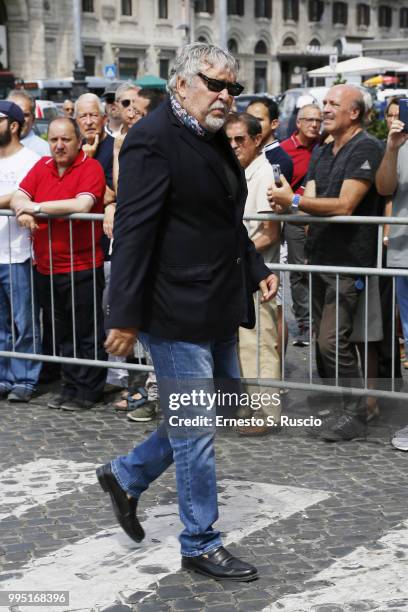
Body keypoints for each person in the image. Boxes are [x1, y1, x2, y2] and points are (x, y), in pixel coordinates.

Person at [97, 42, 278, 581]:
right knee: (196, 427)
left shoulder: (215, 134)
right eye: (215, 85)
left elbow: (224, 220)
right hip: (171, 311)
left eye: (232, 88)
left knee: (218, 408)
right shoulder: (151, 141)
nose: (226, 96)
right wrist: (123, 316)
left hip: (218, 302)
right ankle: (199, 540)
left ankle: (127, 475)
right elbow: (133, 233)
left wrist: (255, 269)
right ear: (182, 83)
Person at [268, 84, 384, 442]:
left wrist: (296, 198)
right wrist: (288, 203)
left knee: (333, 341)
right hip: (320, 257)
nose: (326, 109)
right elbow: (313, 200)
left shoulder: (366, 147)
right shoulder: (322, 149)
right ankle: (344, 403)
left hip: (349, 262)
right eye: (325, 103)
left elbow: (346, 204)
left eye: (334, 104)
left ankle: (357, 413)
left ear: (354, 112)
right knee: (322, 340)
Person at [11, 117, 107, 411]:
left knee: (87, 332)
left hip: (82, 266)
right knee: (61, 332)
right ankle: (68, 386)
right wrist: (22, 211)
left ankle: (88, 390)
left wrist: (35, 208)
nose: (59, 145)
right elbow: (18, 195)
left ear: (79, 141)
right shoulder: (41, 166)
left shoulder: (91, 167)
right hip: (47, 267)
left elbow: (82, 205)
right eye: (53, 140)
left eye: (65, 139)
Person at [225, 112, 281, 436]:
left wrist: (235, 256)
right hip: (240, 275)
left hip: (260, 275)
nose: (233, 146)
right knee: (243, 346)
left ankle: (267, 411)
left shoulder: (263, 175)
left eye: (240, 140)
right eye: (228, 140)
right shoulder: (239, 172)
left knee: (260, 344)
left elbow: (270, 233)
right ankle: (249, 404)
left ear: (256, 140)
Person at [0, 101, 41, 402]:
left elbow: (22, 195)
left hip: (18, 252)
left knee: (24, 322)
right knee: (1, 323)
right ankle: (4, 376)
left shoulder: (31, 159)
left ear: (13, 125)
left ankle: (25, 378)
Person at [375, 96, 408, 451]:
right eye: (392, 115)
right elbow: (384, 188)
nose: (397, 120)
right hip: (403, 254)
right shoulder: (398, 148)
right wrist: (392, 148)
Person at [280, 104, 322, 347]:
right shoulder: (284, 150)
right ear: (298, 122)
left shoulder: (326, 146)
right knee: (299, 272)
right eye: (309, 120)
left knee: (320, 271)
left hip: (322, 214)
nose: (314, 125)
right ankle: (305, 324)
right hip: (295, 215)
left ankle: (319, 321)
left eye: (318, 120)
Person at [7, 90, 50, 157]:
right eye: (15, 113)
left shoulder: (44, 151)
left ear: (33, 119)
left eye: (25, 115)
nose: (20, 119)